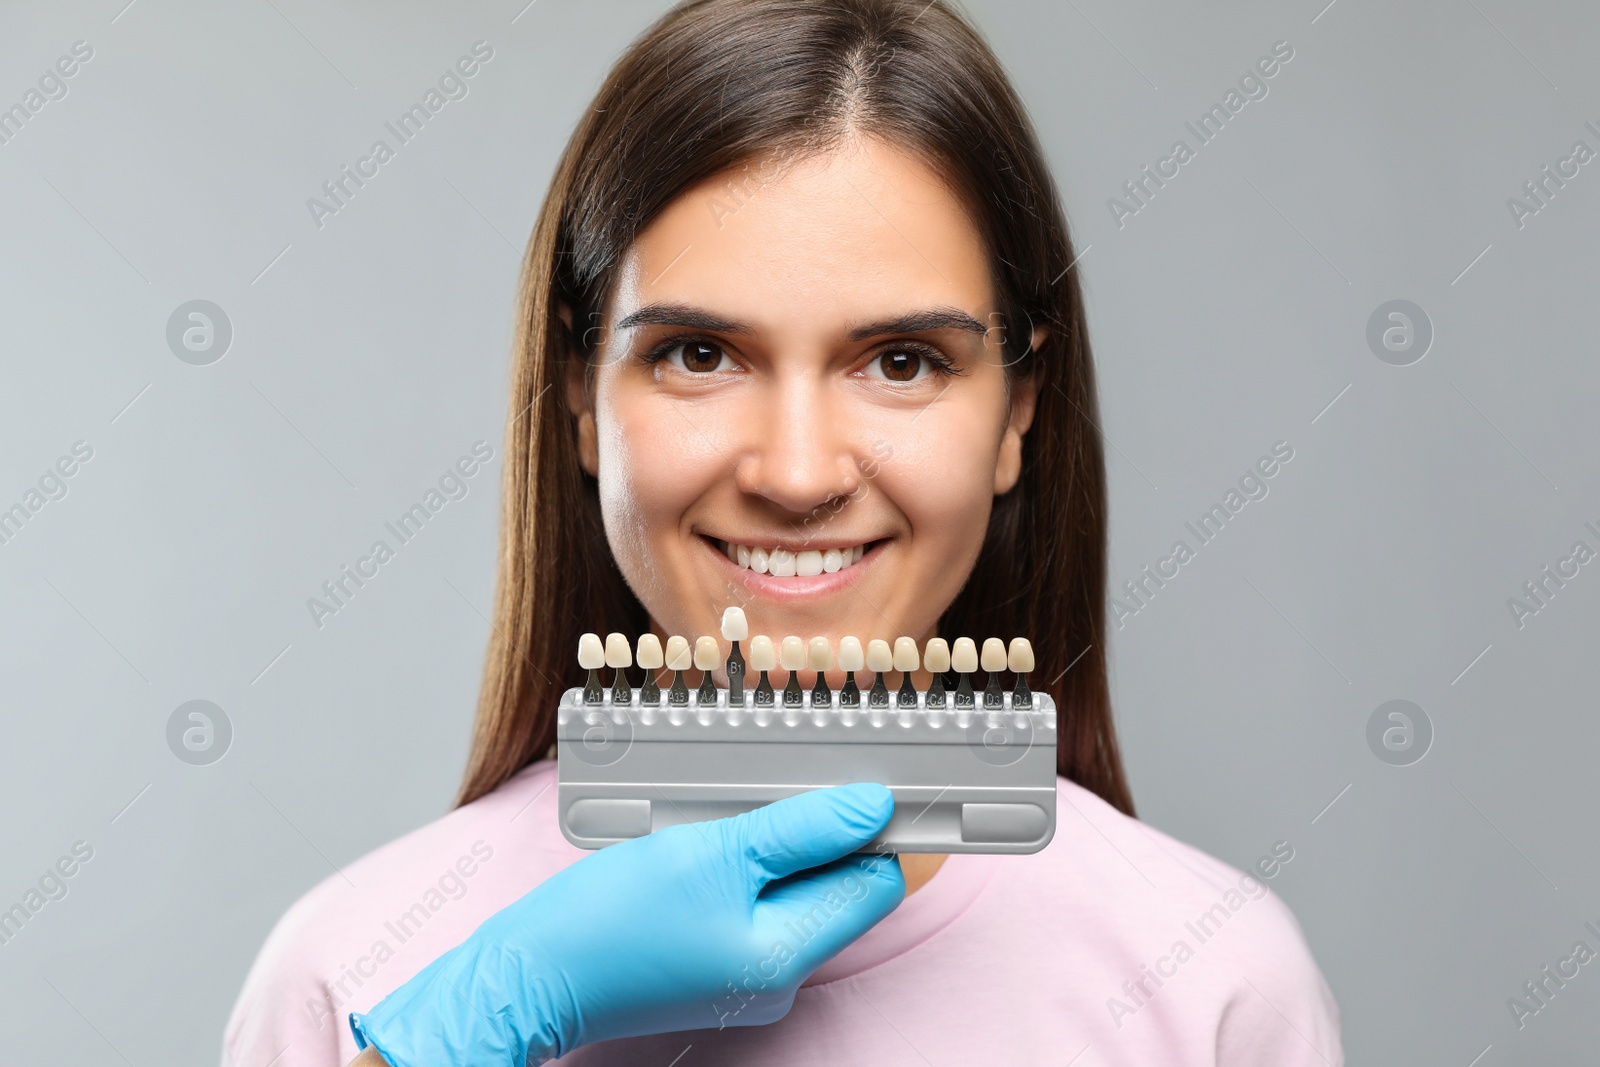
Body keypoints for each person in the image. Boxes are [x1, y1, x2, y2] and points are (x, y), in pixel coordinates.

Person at [222, 0, 1344, 1063]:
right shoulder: (354, 971)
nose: (798, 474)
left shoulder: (1213, 986)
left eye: (901, 362)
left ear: (1016, 413)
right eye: (699, 355)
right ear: (578, 394)